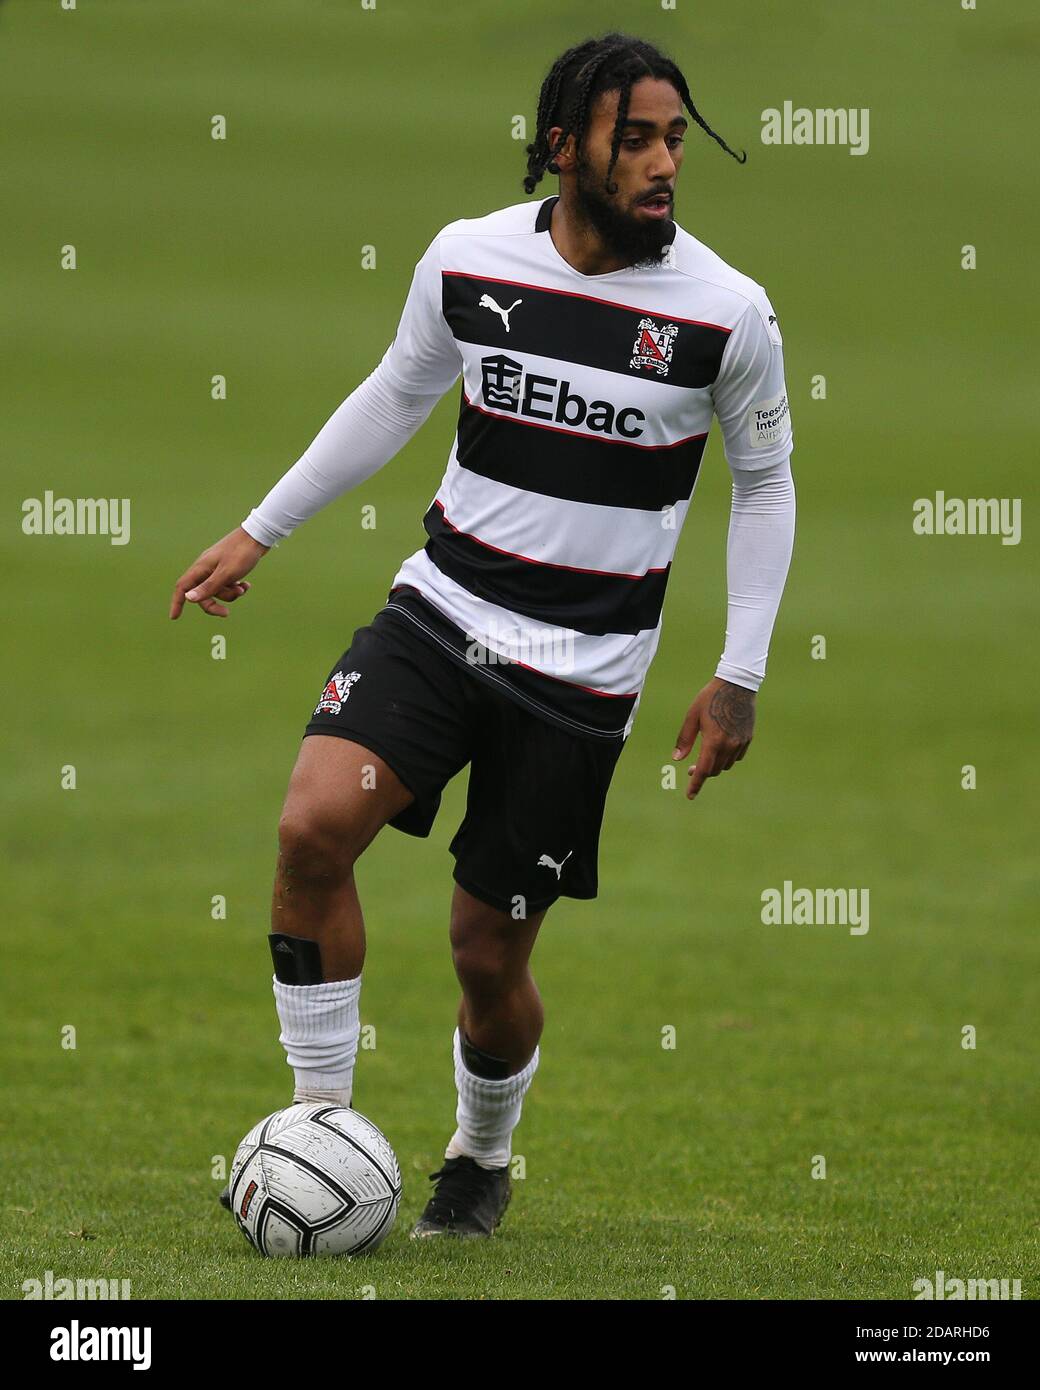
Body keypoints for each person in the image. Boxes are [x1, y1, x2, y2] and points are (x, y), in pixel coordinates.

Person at [169, 32, 796, 1240]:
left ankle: (480, 1151)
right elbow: (398, 392)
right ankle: (320, 1129)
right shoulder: (467, 261)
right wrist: (260, 530)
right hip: (440, 614)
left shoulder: (727, 314)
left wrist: (738, 676)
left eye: (676, 138)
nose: (665, 162)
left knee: (483, 956)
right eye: (637, 138)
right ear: (564, 148)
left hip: (579, 678)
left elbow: (764, 485)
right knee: (310, 829)